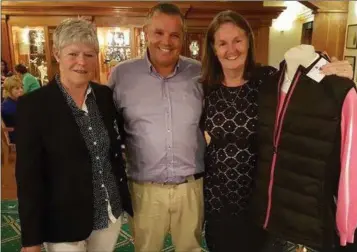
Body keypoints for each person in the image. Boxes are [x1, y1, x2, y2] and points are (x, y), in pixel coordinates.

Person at [200, 10, 354, 252]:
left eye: (238, 40)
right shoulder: (206, 90)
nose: (231, 49)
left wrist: (337, 73)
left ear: (249, 42)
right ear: (213, 48)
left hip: (262, 203)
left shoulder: (269, 81)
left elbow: (308, 98)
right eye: (222, 43)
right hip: (218, 201)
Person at [16, 18, 132, 252]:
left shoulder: (104, 96)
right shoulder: (34, 106)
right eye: (73, 54)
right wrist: (31, 241)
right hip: (63, 223)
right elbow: (28, 179)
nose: (82, 62)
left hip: (108, 215)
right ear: (57, 54)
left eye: (89, 55)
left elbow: (115, 149)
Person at [108, 3, 205, 252]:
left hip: (191, 188)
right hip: (144, 190)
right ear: (145, 33)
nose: (167, 41)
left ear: (182, 38)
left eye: (174, 35)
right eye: (159, 32)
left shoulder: (200, 73)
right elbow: (109, 127)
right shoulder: (122, 75)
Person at [1, 75, 23, 143]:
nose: (21, 90)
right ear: (9, 90)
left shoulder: (12, 101)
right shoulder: (8, 106)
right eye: (17, 88)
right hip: (17, 137)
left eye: (21, 87)